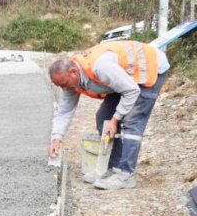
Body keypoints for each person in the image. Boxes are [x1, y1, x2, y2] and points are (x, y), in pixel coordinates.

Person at [47, 40, 169, 190]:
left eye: (65, 84)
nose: (64, 90)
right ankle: (114, 168)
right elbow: (64, 111)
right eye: (60, 86)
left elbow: (131, 91)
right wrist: (56, 139)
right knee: (104, 117)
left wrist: (116, 119)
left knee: (132, 122)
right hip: (125, 79)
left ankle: (126, 174)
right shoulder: (70, 80)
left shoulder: (100, 66)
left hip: (149, 70)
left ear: (73, 71)